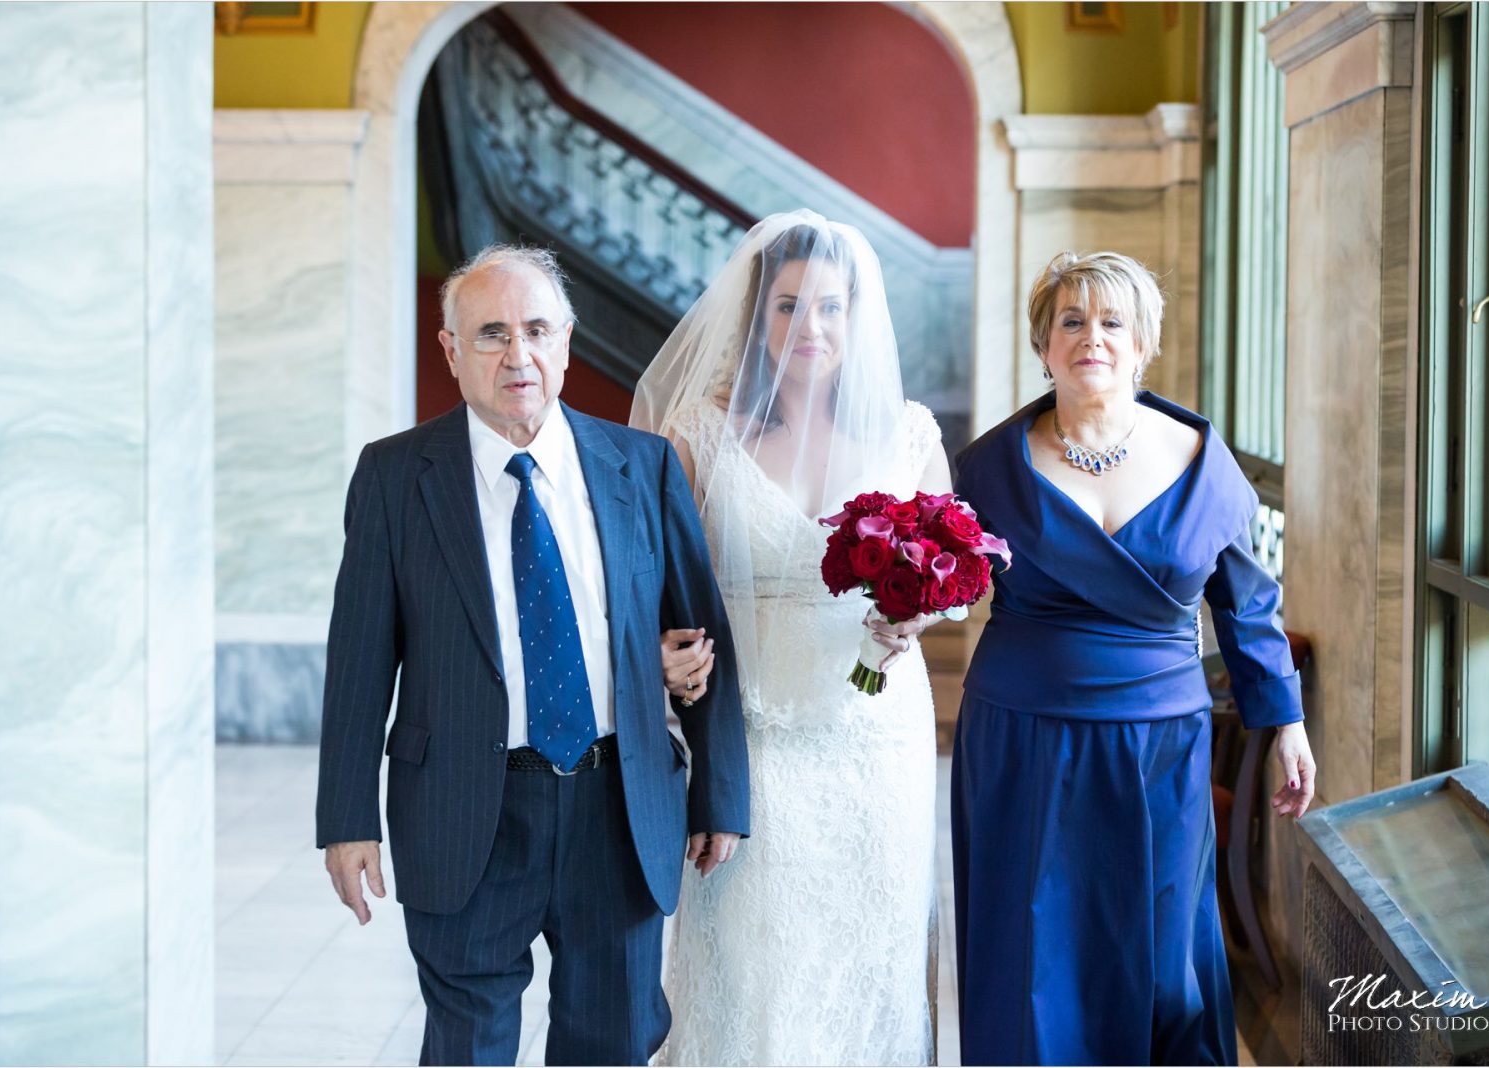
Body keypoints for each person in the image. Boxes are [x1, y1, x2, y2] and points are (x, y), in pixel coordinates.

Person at [315, 245, 750, 1066]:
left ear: (566, 343)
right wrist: (345, 818)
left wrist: (719, 791)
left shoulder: (642, 466)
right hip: (462, 809)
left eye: (537, 330)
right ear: (451, 352)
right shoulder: (394, 476)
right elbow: (359, 661)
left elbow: (700, 633)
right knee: (469, 1046)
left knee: (613, 1041)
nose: (518, 355)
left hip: (616, 806)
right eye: (490, 334)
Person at [951, 250, 1317, 1065]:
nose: (1093, 339)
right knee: (1032, 953)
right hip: (1022, 738)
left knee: (1164, 960)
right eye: (1072, 321)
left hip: (1160, 743)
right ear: (1043, 343)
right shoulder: (985, 468)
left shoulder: (1200, 459)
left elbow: (1248, 603)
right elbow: (949, 586)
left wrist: (1284, 718)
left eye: (1113, 321)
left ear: (1144, 341)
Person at [631, 211, 951, 1066]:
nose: (809, 327)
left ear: (857, 317)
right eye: (786, 306)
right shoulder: (698, 433)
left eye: (830, 307)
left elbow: (956, 567)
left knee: (868, 950)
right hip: (752, 728)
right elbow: (649, 579)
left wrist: (918, 610)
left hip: (874, 729)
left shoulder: (907, 432)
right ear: (756, 316)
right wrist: (669, 663)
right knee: (752, 950)